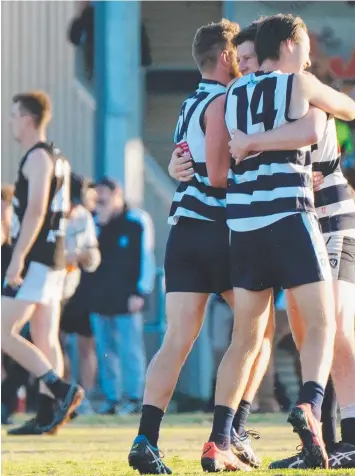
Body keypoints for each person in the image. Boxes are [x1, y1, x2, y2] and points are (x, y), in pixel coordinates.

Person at [128, 20, 264, 475]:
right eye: (239, 57)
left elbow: (186, 165)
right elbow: (221, 176)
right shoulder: (225, 100)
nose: (245, 65)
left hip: (183, 230)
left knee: (176, 341)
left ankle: (146, 439)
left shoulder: (189, 102)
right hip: (219, 230)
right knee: (255, 334)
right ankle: (227, 434)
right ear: (226, 57)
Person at [223, 14, 355, 470]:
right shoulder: (291, 85)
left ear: (260, 52)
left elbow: (314, 130)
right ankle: (316, 426)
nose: (242, 65)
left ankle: (342, 436)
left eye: (246, 57)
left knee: (328, 328)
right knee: (312, 330)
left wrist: (251, 144)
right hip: (293, 217)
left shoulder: (245, 93)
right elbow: (335, 115)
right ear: (291, 44)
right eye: (237, 59)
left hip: (305, 219)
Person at [1, 90, 84, 435]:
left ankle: (61, 389)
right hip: (54, 256)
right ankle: (50, 415)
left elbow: (36, 210)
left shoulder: (37, 157)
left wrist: (16, 259)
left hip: (37, 258)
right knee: (45, 335)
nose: (11, 122)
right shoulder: (58, 157)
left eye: (14, 115)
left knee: (3, 331)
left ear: (29, 118)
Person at [88, 177, 155, 416]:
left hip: (127, 297)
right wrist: (101, 225)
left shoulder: (136, 220)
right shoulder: (94, 222)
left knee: (130, 349)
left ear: (117, 194)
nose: (100, 202)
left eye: (104, 196)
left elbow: (146, 258)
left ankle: (135, 397)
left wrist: (141, 291)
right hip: (99, 297)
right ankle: (112, 398)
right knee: (105, 350)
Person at [59, 173, 101, 416]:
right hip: (52, 289)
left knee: (86, 345)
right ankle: (63, 394)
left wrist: (81, 256)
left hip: (76, 286)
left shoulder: (83, 216)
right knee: (55, 342)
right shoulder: (48, 210)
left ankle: (84, 398)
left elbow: (93, 257)